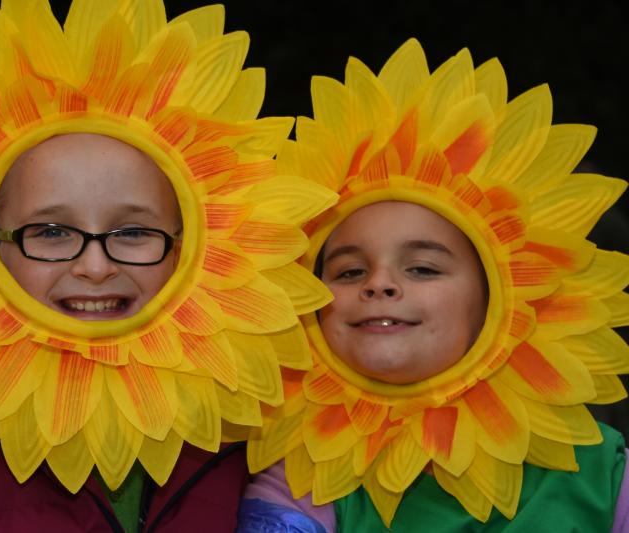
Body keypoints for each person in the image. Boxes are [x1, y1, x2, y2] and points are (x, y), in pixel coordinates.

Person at [0, 1, 336, 531]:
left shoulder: (251, 440)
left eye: (134, 232)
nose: (95, 265)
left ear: (194, 246)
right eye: (49, 232)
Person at [240, 38, 629, 532]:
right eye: (349, 271)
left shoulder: (609, 479)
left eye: (422, 268)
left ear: (498, 298)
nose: (379, 283)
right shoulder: (300, 480)